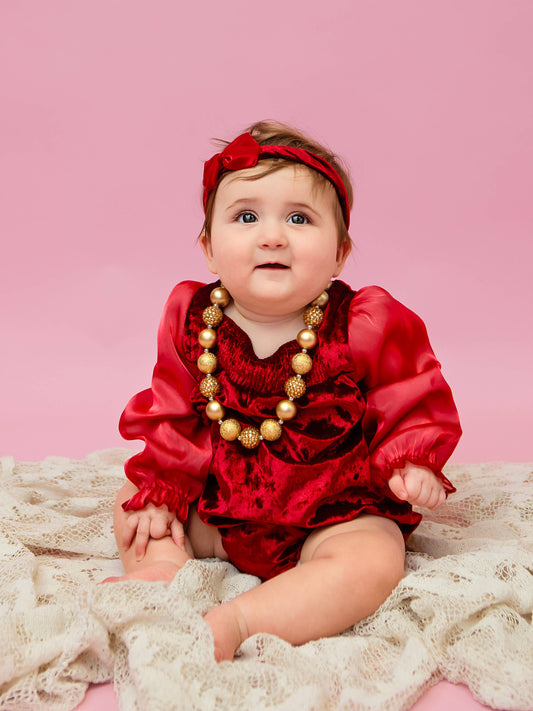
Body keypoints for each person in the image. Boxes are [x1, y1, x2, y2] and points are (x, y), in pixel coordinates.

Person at [106, 121, 462, 661]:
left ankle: (244, 619)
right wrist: (163, 488)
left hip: (331, 514)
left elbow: (410, 391)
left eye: (299, 218)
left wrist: (411, 461)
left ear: (341, 253)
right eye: (246, 217)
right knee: (134, 506)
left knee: (374, 560)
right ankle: (162, 571)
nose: (272, 236)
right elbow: (171, 414)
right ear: (208, 248)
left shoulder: (362, 324)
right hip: (223, 509)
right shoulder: (192, 318)